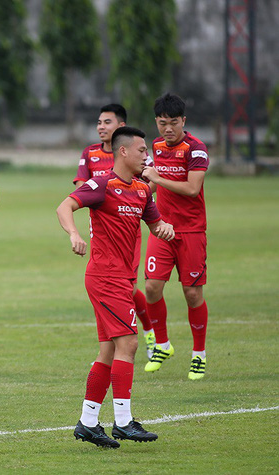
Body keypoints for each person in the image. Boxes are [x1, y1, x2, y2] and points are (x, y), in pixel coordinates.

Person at [57, 126, 175, 448]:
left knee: (109, 349)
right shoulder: (102, 185)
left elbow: (155, 223)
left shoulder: (141, 190)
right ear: (123, 152)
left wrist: (164, 229)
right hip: (105, 277)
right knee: (129, 345)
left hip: (123, 279)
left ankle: (88, 422)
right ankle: (123, 422)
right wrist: (74, 234)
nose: (145, 157)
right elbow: (64, 206)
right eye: (141, 151)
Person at [74, 104, 156, 359]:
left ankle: (148, 332)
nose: (100, 127)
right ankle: (119, 342)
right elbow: (80, 186)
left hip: (128, 225)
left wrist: (128, 198)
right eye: (99, 122)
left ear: (120, 127)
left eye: (106, 122)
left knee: (127, 287)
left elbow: (150, 182)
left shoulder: (137, 152)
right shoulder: (90, 153)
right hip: (100, 223)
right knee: (112, 283)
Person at [141, 93, 210, 380]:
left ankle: (198, 354)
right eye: (161, 123)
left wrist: (156, 178)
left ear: (183, 120)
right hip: (162, 227)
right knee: (152, 287)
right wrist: (141, 191)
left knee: (192, 293)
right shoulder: (156, 146)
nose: (167, 129)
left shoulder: (196, 150)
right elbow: (155, 185)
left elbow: (192, 189)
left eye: (173, 123)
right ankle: (163, 344)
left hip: (192, 230)